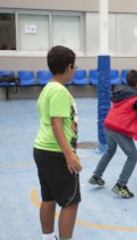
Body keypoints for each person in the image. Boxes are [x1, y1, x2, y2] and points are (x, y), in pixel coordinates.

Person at [88, 70, 137, 198]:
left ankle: (96, 175)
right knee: (133, 155)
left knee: (110, 151)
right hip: (117, 129)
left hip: (108, 125)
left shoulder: (122, 93)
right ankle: (121, 185)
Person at [33, 46, 81, 240]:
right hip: (56, 153)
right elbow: (56, 123)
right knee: (70, 201)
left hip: (42, 149)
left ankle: (47, 237)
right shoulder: (60, 91)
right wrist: (69, 153)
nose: (75, 69)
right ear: (69, 67)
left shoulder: (48, 88)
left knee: (49, 197)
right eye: (74, 66)